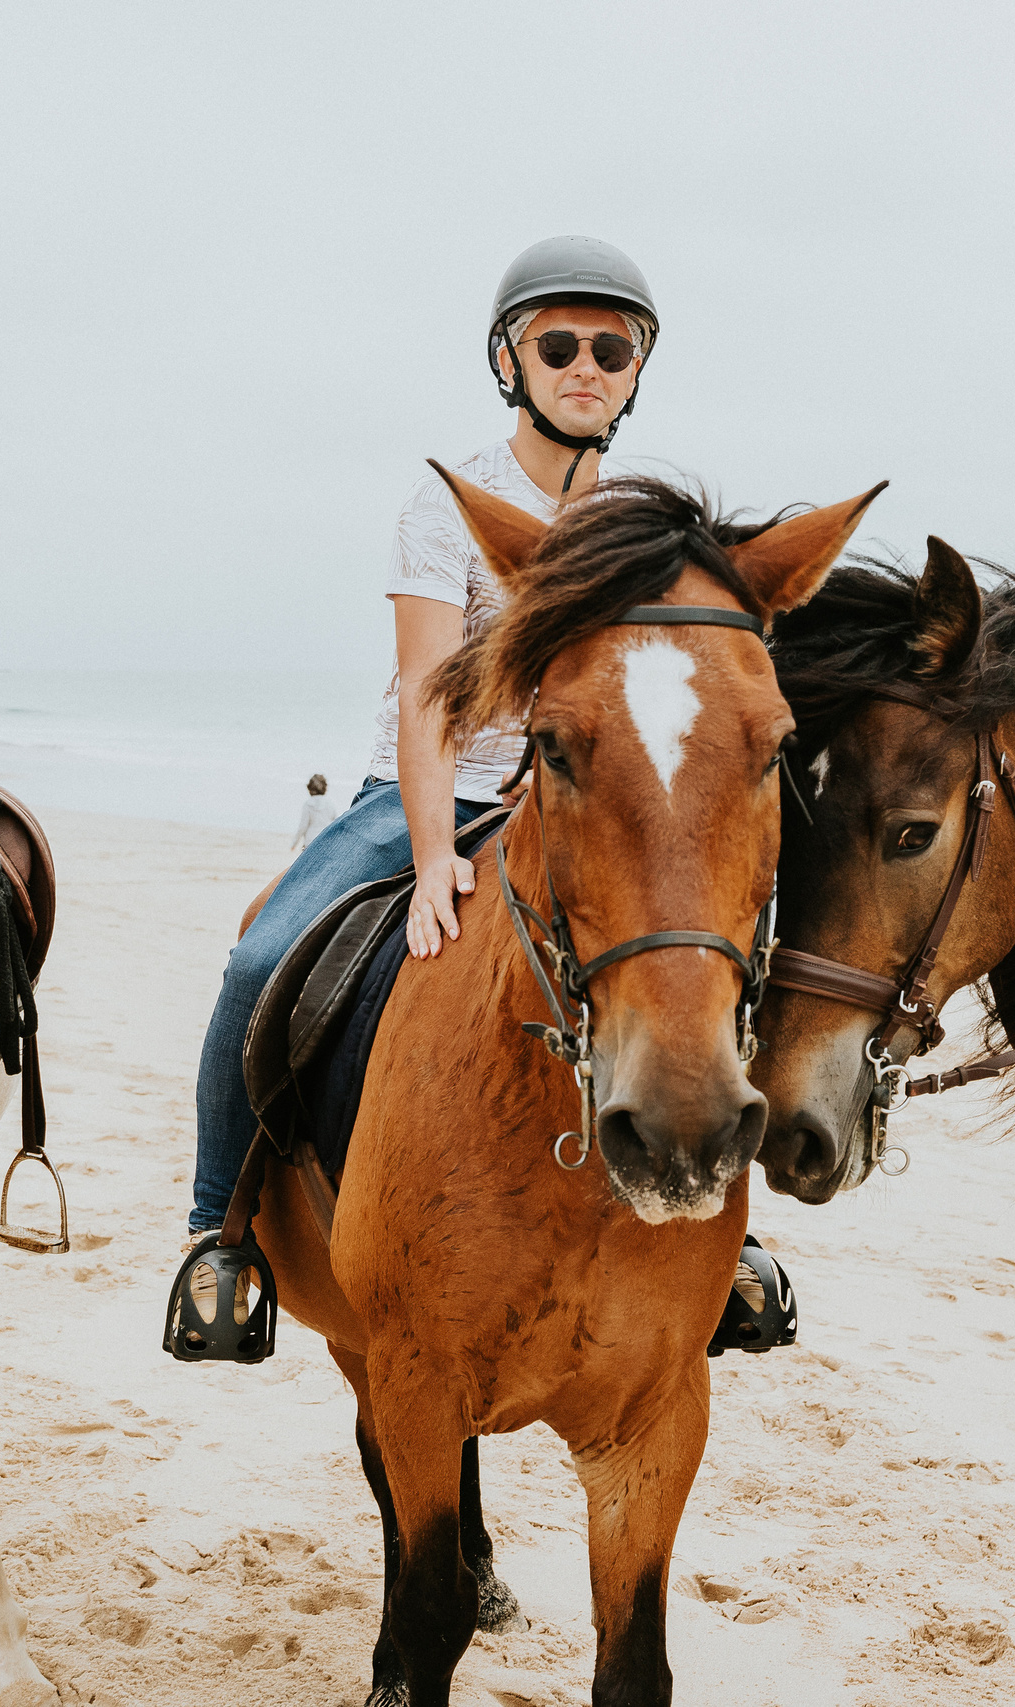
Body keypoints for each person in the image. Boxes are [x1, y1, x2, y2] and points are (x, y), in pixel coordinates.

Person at [182, 236, 661, 1239]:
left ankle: (721, 1233)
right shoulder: (447, 504)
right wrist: (438, 850)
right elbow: (430, 699)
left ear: (634, 373)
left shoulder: (640, 525)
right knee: (257, 963)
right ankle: (215, 1235)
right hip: (442, 793)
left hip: (584, 805)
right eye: (559, 345)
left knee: (704, 966)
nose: (585, 367)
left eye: (610, 352)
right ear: (510, 364)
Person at [291, 773, 337, 851]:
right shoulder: (330, 804)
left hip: (310, 841)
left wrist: (294, 843)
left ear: (309, 788)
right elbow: (335, 822)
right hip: (326, 840)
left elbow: (303, 826)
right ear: (325, 787)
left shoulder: (308, 804)